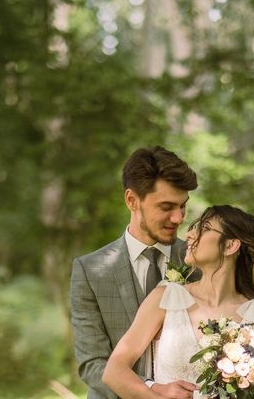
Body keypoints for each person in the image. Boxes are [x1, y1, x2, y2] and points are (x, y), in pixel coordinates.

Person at [102, 205, 254, 399]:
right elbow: (114, 371)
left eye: (205, 228)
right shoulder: (166, 298)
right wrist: (154, 392)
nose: (191, 234)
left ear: (230, 245)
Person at [70, 146, 199, 399]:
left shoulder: (200, 264)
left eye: (183, 206)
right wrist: (151, 389)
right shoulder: (89, 271)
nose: (178, 218)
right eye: (166, 207)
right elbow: (93, 364)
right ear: (132, 200)